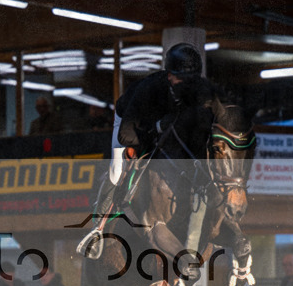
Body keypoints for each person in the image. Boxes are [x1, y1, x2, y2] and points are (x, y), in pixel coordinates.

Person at [77, 42, 215, 258]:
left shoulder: (197, 89)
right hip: (130, 125)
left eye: (191, 81)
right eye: (182, 80)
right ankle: (97, 229)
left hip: (164, 129)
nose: (187, 86)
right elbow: (126, 135)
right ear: (169, 76)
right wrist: (157, 128)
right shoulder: (148, 90)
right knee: (116, 169)